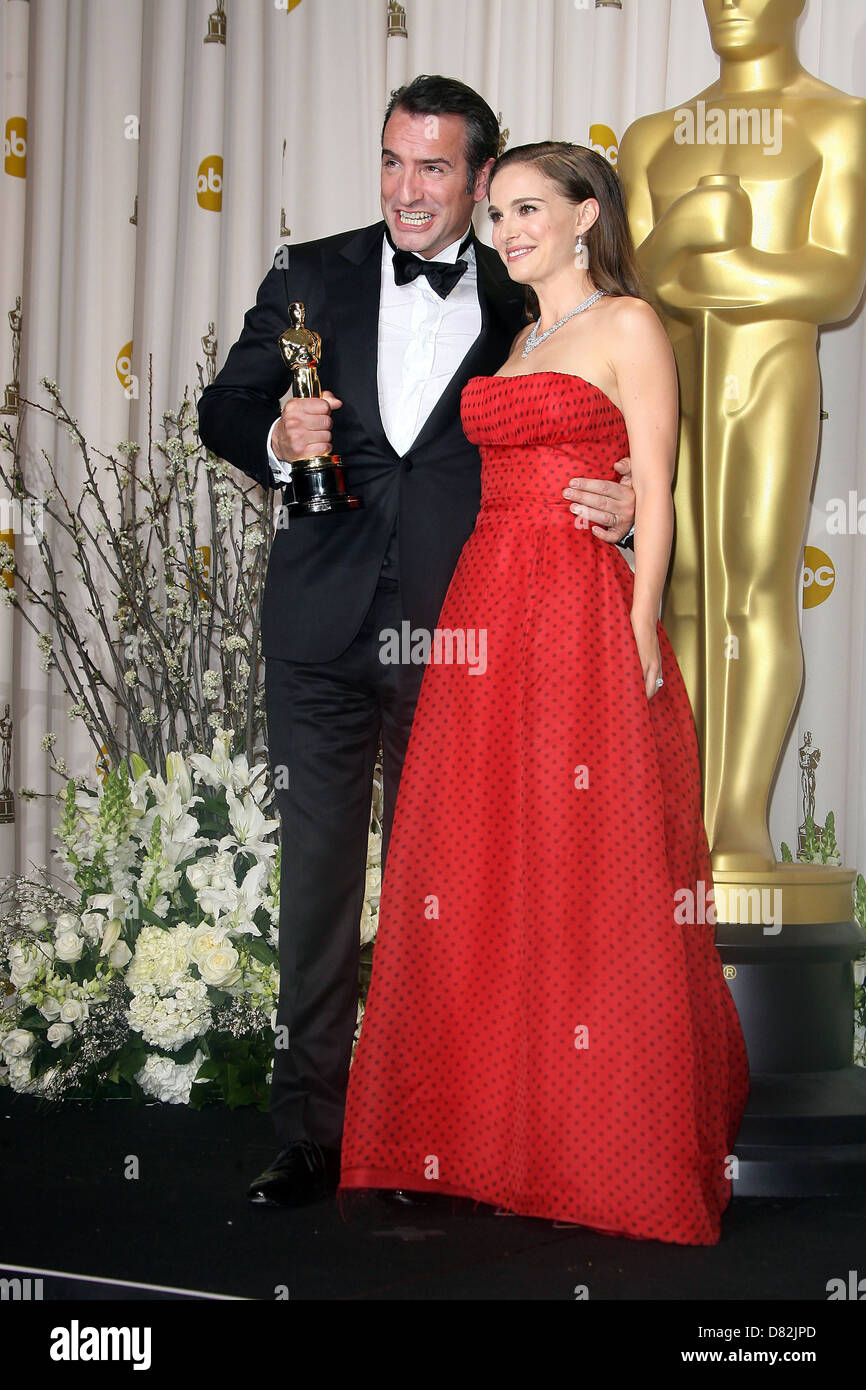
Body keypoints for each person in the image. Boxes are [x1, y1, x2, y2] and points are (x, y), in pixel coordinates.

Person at [197, 77, 637, 1208]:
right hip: (317, 625)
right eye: (393, 161)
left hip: (468, 638)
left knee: (463, 891)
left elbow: (602, 407)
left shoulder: (523, 282)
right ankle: (310, 1133)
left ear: (483, 179)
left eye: (434, 168)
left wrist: (630, 492)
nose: (406, 188)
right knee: (318, 886)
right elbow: (221, 406)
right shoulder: (309, 270)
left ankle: (439, 1130)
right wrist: (274, 433)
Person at [339, 141, 750, 1245]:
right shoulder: (519, 336)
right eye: (498, 210)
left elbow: (655, 491)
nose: (508, 226)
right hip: (486, 606)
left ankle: (596, 1144)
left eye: (529, 208)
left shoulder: (625, 324)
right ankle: (480, 1136)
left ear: (584, 216)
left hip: (574, 613)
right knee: (481, 856)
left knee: (584, 860)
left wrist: (641, 624)